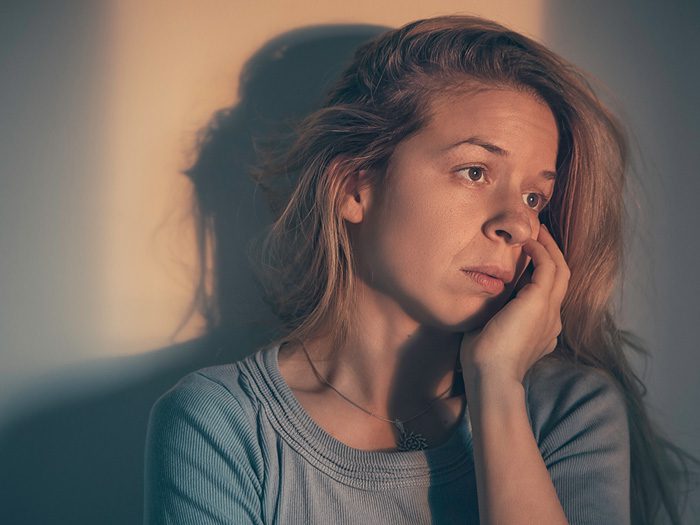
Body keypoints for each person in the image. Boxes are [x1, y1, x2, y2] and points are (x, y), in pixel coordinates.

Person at [143, 15, 699, 524]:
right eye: (476, 171)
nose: (518, 224)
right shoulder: (224, 425)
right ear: (354, 187)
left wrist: (497, 387)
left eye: (534, 198)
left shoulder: (572, 412)